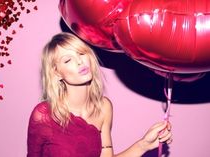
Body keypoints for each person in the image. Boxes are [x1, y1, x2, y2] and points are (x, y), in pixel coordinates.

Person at [27, 32, 172, 157]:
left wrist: (143, 145)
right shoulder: (44, 114)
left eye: (81, 53)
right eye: (68, 60)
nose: (79, 61)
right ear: (57, 73)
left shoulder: (104, 107)